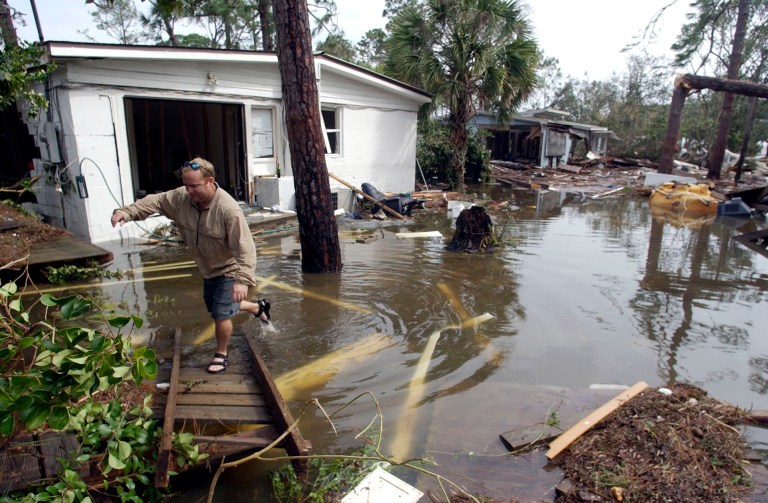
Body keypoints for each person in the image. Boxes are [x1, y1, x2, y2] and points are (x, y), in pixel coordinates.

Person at [111, 157, 270, 374]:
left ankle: (221, 354)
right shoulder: (181, 198)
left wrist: (242, 281)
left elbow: (246, 248)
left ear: (210, 181)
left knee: (220, 314)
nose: (189, 191)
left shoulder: (228, 210)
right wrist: (126, 213)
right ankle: (257, 307)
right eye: (186, 185)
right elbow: (155, 201)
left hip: (229, 268)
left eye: (194, 186)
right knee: (216, 306)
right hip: (207, 268)